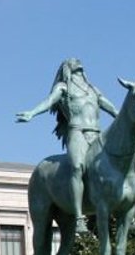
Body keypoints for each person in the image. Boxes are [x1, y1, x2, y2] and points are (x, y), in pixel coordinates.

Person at [16, 58, 118, 232]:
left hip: (97, 134)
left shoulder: (93, 90)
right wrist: (32, 113)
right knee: (77, 166)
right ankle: (79, 217)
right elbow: (49, 102)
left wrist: (125, 118)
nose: (76, 62)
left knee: (120, 165)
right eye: (72, 63)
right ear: (66, 70)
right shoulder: (63, 88)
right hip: (77, 132)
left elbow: (111, 107)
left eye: (79, 64)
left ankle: (129, 214)